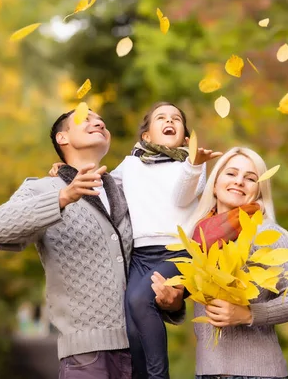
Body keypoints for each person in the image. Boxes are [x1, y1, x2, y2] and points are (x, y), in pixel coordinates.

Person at [48, 101, 221, 379]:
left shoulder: (192, 168)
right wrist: (66, 169)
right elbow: (102, 183)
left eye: (177, 119)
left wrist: (194, 165)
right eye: (162, 118)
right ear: (146, 136)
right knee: (131, 320)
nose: (170, 121)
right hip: (141, 254)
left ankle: (157, 375)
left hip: (177, 251)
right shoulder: (130, 166)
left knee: (141, 300)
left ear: (186, 139)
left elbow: (182, 196)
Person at [0, 109, 134, 379]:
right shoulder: (42, 189)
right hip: (86, 357)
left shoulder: (126, 190)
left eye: (101, 120)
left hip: (142, 350)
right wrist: (63, 197)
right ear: (62, 137)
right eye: (86, 119)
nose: (98, 121)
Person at [152, 147, 288, 379]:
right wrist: (172, 303)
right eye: (231, 173)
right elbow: (196, 299)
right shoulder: (198, 235)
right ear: (214, 184)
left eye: (250, 178)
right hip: (207, 372)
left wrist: (247, 314)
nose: (239, 182)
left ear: (258, 190)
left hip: (258, 374)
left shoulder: (267, 233)